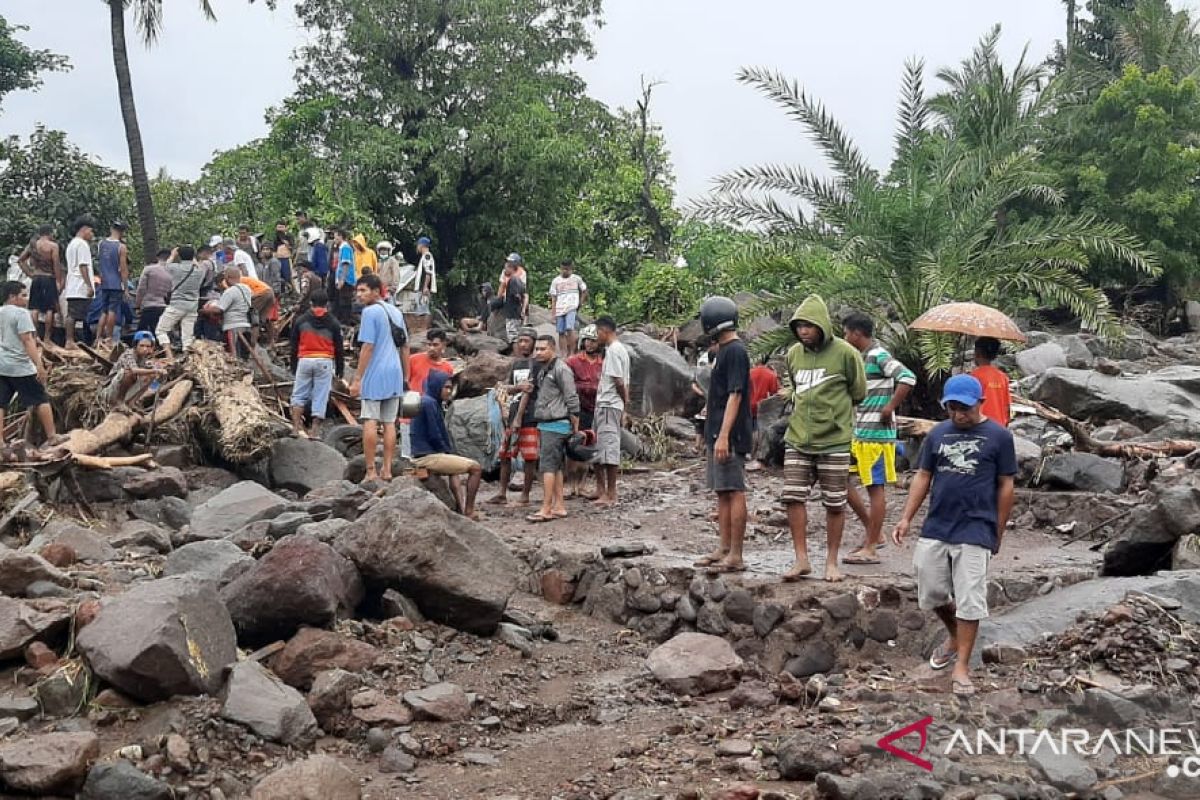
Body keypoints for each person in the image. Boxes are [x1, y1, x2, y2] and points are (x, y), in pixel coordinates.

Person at [892, 375, 1017, 696]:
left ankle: (962, 666)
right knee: (931, 589)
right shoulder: (938, 434)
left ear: (980, 404)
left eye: (965, 408)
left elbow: (1006, 486)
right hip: (938, 525)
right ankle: (953, 634)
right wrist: (906, 517)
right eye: (952, 408)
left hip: (976, 527)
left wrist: (998, 530)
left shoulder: (999, 437)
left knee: (970, 598)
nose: (959, 415)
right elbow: (923, 475)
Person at [781, 295, 867, 583]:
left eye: (809, 325)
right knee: (793, 497)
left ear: (822, 325)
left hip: (834, 441)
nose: (804, 331)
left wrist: (834, 415)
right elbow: (794, 388)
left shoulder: (846, 354)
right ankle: (801, 559)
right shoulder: (793, 354)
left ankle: (831, 561)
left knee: (835, 502)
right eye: (799, 326)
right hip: (798, 439)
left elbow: (858, 392)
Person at [841, 312, 916, 565]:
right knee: (841, 480)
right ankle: (874, 533)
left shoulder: (878, 355)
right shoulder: (861, 358)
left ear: (856, 334)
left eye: (846, 332)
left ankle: (871, 546)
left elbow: (907, 377)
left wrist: (889, 407)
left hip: (876, 435)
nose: (844, 337)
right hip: (860, 432)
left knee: (875, 488)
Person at [692, 297, 753, 573]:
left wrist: (725, 435)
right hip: (717, 430)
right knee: (722, 491)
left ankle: (736, 553)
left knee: (735, 490)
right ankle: (724, 546)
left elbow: (736, 395)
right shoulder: (724, 351)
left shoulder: (736, 352)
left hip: (729, 434)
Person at [350, 273, 409, 483]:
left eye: (363, 290)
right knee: (390, 423)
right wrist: (406, 375)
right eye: (358, 290)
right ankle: (387, 470)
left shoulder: (370, 312)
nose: (359, 294)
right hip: (394, 373)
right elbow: (405, 346)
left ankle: (370, 471)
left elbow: (367, 346)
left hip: (375, 373)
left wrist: (357, 379)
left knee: (370, 420)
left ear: (376, 292)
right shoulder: (395, 311)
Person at [410, 369, 484, 520]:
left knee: (454, 469)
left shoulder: (429, 401)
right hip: (426, 456)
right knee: (475, 468)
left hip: (425, 453)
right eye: (446, 387)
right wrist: (446, 450)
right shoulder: (429, 404)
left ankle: (460, 509)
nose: (449, 391)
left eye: (450, 388)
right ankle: (469, 510)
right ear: (436, 386)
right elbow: (434, 435)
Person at [526, 335, 579, 523]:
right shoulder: (543, 369)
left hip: (556, 423)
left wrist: (575, 420)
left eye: (542, 349)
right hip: (547, 422)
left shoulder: (561, 369)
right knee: (555, 466)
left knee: (547, 467)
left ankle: (546, 508)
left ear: (553, 349)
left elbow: (571, 395)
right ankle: (559, 506)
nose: (538, 352)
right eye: (537, 349)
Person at [488, 328, 541, 507]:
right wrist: (515, 389)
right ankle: (502, 493)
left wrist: (518, 415)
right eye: (520, 341)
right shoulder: (516, 364)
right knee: (505, 455)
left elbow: (529, 389)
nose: (523, 344)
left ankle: (525, 495)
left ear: (534, 342)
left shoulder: (537, 364)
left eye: (526, 341)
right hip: (512, 413)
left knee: (529, 457)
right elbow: (506, 388)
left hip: (530, 416)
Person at [0, 281, 55, 444]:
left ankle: (1, 443)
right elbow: (27, 340)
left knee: (1, 403)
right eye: (23, 295)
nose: (27, 298)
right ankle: (52, 436)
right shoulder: (21, 314)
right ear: (12, 297)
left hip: (2, 365)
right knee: (40, 399)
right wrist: (39, 365)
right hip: (20, 366)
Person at [289, 289, 344, 439]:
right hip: (324, 361)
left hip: (305, 360)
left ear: (311, 303)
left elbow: (293, 345)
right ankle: (314, 432)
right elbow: (339, 347)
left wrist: (293, 365)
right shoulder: (333, 322)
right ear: (327, 304)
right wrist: (340, 368)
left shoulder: (301, 320)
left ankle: (295, 428)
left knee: (299, 394)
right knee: (320, 395)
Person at [593, 315, 630, 507]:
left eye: (597, 332)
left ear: (604, 331)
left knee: (609, 447)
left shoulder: (615, 351)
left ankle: (611, 493)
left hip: (609, 403)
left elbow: (619, 381)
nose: (596, 337)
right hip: (608, 403)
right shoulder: (617, 350)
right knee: (601, 446)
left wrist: (624, 402)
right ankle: (602, 490)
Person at [566, 324, 604, 497]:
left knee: (589, 447)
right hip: (575, 409)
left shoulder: (603, 363)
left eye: (593, 341)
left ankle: (582, 485)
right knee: (572, 448)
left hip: (594, 410)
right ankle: (571, 485)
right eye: (587, 340)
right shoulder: (573, 361)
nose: (590, 344)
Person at [155, 245, 206, 358]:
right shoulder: (199, 271)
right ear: (193, 256)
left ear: (179, 256)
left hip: (176, 305)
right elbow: (197, 265)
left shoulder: (175, 268)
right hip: (192, 306)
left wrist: (173, 255)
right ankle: (187, 358)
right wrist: (192, 257)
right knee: (187, 336)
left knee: (161, 330)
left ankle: (169, 356)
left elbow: (166, 265)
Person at [18, 225, 62, 344]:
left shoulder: (33, 245)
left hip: (36, 277)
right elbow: (56, 264)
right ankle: (47, 338)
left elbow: (20, 260)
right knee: (49, 309)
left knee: (35, 308)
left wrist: (30, 274)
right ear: (49, 233)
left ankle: (35, 336)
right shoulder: (53, 246)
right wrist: (58, 281)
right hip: (48, 278)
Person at [105, 331, 166, 408]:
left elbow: (149, 371)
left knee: (151, 375)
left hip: (125, 391)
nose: (145, 349)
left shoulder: (143, 358)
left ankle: (132, 402)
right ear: (135, 345)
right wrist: (156, 370)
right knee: (129, 373)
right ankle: (119, 402)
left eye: (148, 346)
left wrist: (157, 370)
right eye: (142, 345)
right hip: (111, 390)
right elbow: (135, 370)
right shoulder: (129, 354)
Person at [63, 217, 97, 348]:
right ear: (84, 229)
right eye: (91, 231)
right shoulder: (82, 244)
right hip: (79, 286)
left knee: (75, 314)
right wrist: (89, 285)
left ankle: (73, 340)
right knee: (74, 315)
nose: (92, 234)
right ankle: (70, 340)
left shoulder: (72, 244)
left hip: (72, 285)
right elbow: (83, 266)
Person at [95, 221, 129, 346]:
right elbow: (123, 268)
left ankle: (98, 338)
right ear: (122, 232)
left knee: (103, 311)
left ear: (111, 228)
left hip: (104, 282)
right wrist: (125, 287)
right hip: (116, 282)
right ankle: (109, 337)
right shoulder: (121, 247)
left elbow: (100, 262)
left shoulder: (101, 244)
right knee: (112, 310)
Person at [210, 267, 253, 358]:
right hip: (246, 325)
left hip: (233, 326)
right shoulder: (247, 289)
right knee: (244, 355)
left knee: (233, 355)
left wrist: (205, 310)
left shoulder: (230, 291)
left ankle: (237, 371)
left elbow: (219, 310)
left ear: (228, 277)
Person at [549, 260, 588, 356]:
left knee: (569, 328)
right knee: (560, 332)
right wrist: (553, 313)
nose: (565, 271)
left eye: (567, 269)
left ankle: (571, 352)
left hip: (571, 307)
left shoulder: (576, 279)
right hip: (560, 308)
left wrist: (580, 302)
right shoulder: (556, 281)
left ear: (571, 269)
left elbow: (584, 290)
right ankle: (563, 353)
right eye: (563, 269)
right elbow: (553, 297)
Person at [748, 354, 781, 467]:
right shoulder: (771, 375)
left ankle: (748, 453)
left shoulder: (749, 372)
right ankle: (756, 455)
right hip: (763, 407)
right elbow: (775, 393)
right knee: (759, 430)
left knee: (751, 429)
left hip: (748, 404)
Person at [972, 337, 1011, 427]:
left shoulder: (974, 376)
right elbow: (1007, 407)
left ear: (977, 353)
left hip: (980, 426)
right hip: (999, 426)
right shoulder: (1003, 377)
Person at [135, 248, 173, 336]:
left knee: (141, 334)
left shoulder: (149, 269)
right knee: (161, 334)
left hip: (149, 306)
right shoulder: (172, 272)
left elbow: (141, 289)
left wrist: (137, 306)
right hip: (164, 307)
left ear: (157, 257)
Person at [407, 328, 455, 395]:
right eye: (429, 344)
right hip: (411, 401)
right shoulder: (413, 360)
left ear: (443, 345)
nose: (431, 348)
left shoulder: (447, 368)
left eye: (435, 345)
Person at [333, 229, 357, 324]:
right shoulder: (342, 248)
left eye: (335, 237)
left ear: (340, 236)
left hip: (346, 280)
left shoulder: (345, 247)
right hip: (343, 279)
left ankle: (345, 322)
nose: (334, 239)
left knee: (345, 303)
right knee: (342, 302)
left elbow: (345, 264)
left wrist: (342, 280)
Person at [502, 261, 528, 343]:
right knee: (517, 332)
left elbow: (516, 295)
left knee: (512, 333)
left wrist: (518, 301)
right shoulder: (520, 281)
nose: (504, 270)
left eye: (506, 268)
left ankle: (514, 351)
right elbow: (525, 295)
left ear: (511, 268)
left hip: (512, 312)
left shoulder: (513, 280)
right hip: (517, 311)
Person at [415, 236, 437, 330]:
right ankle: (422, 328)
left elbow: (428, 272)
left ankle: (424, 328)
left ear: (422, 245)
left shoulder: (427, 256)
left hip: (424, 287)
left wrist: (425, 287)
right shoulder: (424, 257)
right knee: (421, 308)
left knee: (424, 309)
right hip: (421, 287)